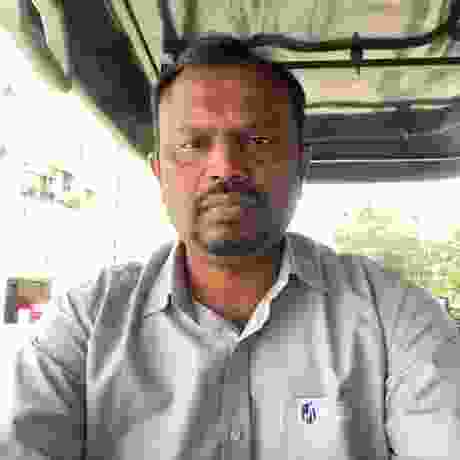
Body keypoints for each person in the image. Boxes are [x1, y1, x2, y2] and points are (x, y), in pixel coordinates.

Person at [2, 36, 460, 460]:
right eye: (193, 144)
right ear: (160, 173)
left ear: (301, 165)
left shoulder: (391, 317)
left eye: (257, 140)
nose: (225, 166)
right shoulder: (88, 324)